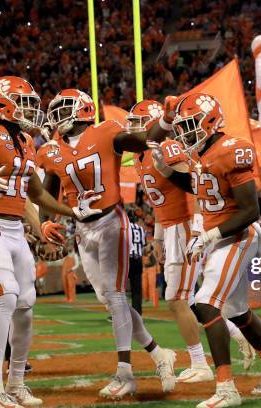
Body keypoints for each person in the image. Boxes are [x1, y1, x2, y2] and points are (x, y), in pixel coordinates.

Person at [0, 76, 94, 408]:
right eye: (23, 101)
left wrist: (64, 215)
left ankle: (16, 384)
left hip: (15, 228)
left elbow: (36, 195)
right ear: (1, 103)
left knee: (26, 305)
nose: (31, 108)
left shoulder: (26, 141)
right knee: (6, 297)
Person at [150, 93, 261, 408]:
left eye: (190, 125)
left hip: (236, 236)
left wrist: (210, 234)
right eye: (182, 127)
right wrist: (169, 172)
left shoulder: (232, 149)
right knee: (236, 311)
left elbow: (250, 210)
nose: (184, 133)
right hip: (221, 237)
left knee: (205, 304)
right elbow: (201, 187)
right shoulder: (203, 152)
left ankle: (226, 388)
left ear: (210, 122)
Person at [37, 89, 177, 399]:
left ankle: (125, 373)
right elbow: (48, 189)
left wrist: (165, 121)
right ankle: (158, 354)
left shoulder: (106, 131)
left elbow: (142, 140)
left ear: (83, 111)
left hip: (111, 220)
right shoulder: (51, 150)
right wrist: (46, 221)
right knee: (113, 304)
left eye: (64, 109)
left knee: (115, 296)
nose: (57, 116)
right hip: (81, 230)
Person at [130, 99, 254, 382]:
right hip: (171, 228)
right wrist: (159, 238)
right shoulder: (140, 156)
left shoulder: (169, 146)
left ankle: (200, 363)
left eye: (138, 124)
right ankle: (236, 334)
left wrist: (198, 228)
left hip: (186, 226)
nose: (133, 130)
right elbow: (158, 202)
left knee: (177, 299)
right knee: (187, 299)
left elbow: (197, 187)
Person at [128, 214, 146, 314]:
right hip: (138, 260)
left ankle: (119, 315)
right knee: (137, 290)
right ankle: (137, 314)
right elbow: (143, 245)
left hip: (127, 260)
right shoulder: (140, 229)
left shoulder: (125, 228)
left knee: (119, 290)